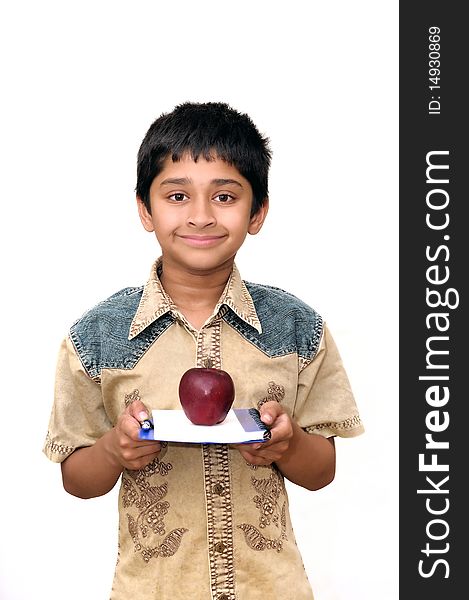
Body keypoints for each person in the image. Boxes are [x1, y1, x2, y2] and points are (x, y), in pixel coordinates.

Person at [43, 101, 364, 600]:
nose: (200, 216)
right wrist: (115, 449)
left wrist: (288, 443)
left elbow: (322, 471)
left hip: (271, 589)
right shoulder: (97, 336)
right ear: (144, 209)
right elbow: (76, 479)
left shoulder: (298, 328)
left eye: (224, 196)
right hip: (152, 590)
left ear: (257, 212)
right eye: (176, 195)